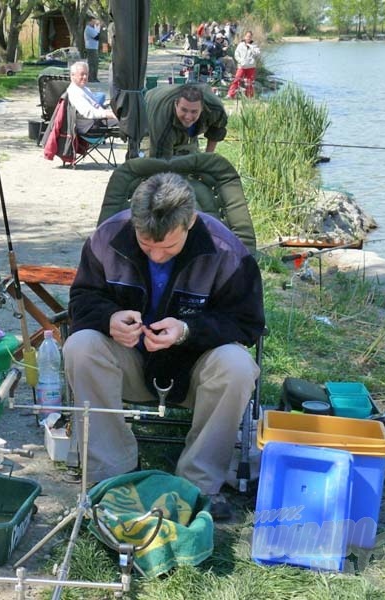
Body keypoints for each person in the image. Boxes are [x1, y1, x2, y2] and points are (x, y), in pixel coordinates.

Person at [63, 172, 264, 520]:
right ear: (133, 224)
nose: (156, 256)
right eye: (145, 244)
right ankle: (112, 477)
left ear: (191, 222)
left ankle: (198, 484)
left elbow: (247, 323)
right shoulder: (107, 237)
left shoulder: (227, 250)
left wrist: (188, 330)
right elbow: (81, 300)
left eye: (168, 247)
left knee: (238, 364)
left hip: (196, 372)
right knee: (80, 345)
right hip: (130, 362)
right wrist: (108, 318)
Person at [145, 83, 228, 157]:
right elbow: (160, 164)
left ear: (202, 108)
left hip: (175, 99)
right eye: (184, 110)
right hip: (150, 103)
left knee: (191, 155)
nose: (188, 117)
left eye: (194, 111)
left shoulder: (216, 110)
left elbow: (216, 130)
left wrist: (207, 158)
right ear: (176, 105)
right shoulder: (162, 122)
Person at [66, 61, 118, 133]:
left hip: (96, 120)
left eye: (86, 74)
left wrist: (110, 112)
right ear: (73, 75)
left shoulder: (84, 89)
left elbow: (95, 105)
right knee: (126, 121)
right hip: (89, 126)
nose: (85, 77)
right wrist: (109, 114)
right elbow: (88, 112)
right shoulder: (74, 92)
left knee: (125, 117)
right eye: (82, 74)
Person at [228, 30, 261, 99]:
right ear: (245, 37)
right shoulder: (240, 45)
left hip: (251, 66)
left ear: (251, 37)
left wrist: (251, 47)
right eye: (247, 36)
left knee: (249, 82)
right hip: (242, 66)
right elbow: (236, 54)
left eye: (250, 37)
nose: (248, 38)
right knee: (237, 80)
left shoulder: (254, 45)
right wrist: (240, 61)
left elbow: (257, 54)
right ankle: (230, 94)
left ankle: (249, 96)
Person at [84, 17, 101, 82]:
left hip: (94, 48)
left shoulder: (92, 28)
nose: (94, 23)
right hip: (91, 48)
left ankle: (94, 77)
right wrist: (98, 27)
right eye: (93, 21)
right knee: (92, 63)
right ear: (89, 21)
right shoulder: (88, 28)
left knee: (95, 63)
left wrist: (97, 27)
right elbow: (97, 37)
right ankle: (91, 78)